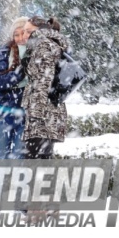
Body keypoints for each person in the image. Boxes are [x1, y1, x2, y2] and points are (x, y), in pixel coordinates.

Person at [21, 16, 69, 159]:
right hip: (47, 111)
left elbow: (44, 79)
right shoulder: (48, 43)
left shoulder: (43, 45)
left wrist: (36, 113)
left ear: (39, 30)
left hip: (42, 116)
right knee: (41, 163)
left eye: (27, 31)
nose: (24, 35)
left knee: (36, 165)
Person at [0, 16, 29, 160]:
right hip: (2, 114)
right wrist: (18, 74)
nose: (20, 38)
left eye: (23, 33)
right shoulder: (6, 51)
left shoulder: (36, 52)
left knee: (20, 162)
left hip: (25, 116)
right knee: (2, 162)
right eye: (16, 35)